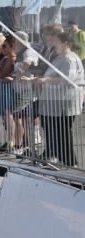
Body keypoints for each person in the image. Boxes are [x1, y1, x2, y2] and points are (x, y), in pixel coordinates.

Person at [37, 31, 85, 167]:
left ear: (65, 43)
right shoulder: (60, 58)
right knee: (56, 130)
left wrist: (45, 79)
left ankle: (70, 161)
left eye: (56, 41)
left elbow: (67, 79)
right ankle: (59, 158)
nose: (53, 44)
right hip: (56, 101)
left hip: (65, 102)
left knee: (63, 131)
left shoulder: (70, 58)